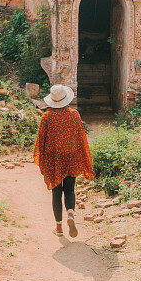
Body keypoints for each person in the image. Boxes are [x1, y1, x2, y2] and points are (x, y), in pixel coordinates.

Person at [33, 85, 95, 237]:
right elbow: (81, 137)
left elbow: (41, 139)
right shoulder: (74, 115)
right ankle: (71, 214)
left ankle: (59, 228)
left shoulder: (47, 116)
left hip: (54, 159)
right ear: (65, 99)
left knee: (56, 190)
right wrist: (82, 155)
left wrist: (40, 157)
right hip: (71, 157)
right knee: (69, 189)